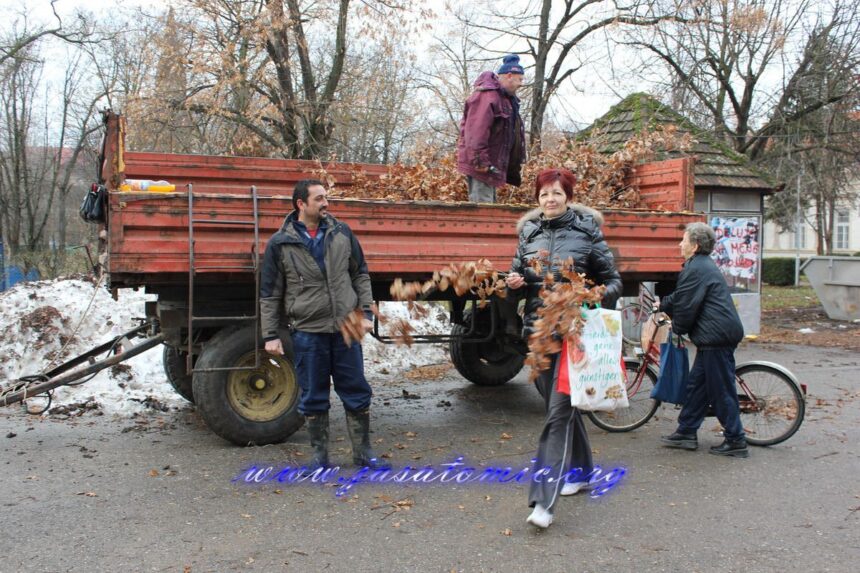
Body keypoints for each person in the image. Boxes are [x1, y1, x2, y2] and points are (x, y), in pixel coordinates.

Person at [505, 168, 622, 529]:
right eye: (543, 194)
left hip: (573, 336)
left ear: (568, 196)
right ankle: (584, 472)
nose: (549, 200)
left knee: (556, 415)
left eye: (556, 193)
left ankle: (543, 501)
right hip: (539, 336)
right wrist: (514, 282)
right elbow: (515, 279)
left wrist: (589, 297)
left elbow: (614, 281)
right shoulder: (528, 233)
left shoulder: (587, 232)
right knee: (565, 409)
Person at [260, 179, 387, 471]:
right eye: (318, 199)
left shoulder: (342, 232)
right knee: (313, 395)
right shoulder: (281, 243)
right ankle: (320, 459)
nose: (325, 203)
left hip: (346, 328)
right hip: (307, 330)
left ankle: (363, 454)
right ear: (300, 204)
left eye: (326, 197)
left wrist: (366, 312)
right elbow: (270, 293)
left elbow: (360, 275)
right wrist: (270, 335)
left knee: (356, 390)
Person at [657, 222, 748, 458]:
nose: (680, 243)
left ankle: (736, 440)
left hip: (716, 338)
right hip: (714, 336)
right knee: (696, 387)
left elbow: (687, 306)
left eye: (684, 239)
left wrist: (676, 327)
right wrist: (665, 303)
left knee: (721, 391)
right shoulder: (700, 266)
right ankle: (686, 432)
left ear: (695, 245)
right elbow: (683, 295)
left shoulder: (696, 267)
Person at [457, 54, 527, 203]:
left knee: (489, 210)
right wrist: (480, 162)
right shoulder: (488, 97)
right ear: (509, 75)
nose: (521, 84)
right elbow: (475, 133)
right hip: (482, 166)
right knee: (483, 214)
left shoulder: (505, 100)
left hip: (491, 165)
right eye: (520, 79)